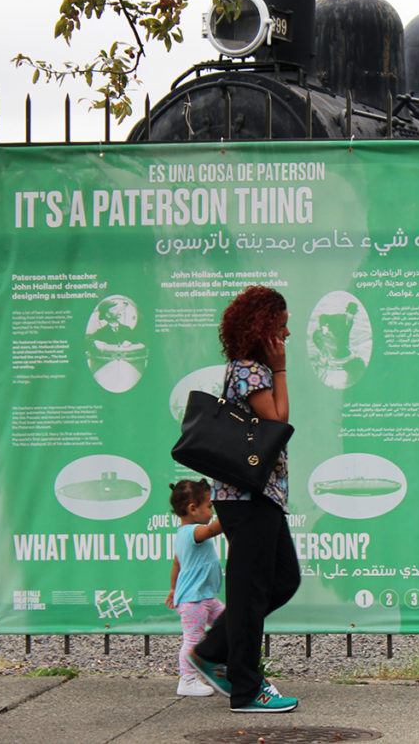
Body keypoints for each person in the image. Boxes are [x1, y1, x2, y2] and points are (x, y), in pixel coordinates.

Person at [186, 285, 302, 713]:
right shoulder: (254, 371)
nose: (287, 333)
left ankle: (213, 650)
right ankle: (246, 689)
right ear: (264, 328)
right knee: (251, 592)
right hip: (248, 497)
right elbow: (278, 423)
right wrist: (282, 370)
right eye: (282, 324)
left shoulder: (247, 369)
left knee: (283, 580)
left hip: (259, 498)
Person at [165, 479, 224, 697]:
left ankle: (218, 667)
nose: (212, 510)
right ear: (192, 509)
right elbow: (210, 531)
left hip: (205, 597)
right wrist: (230, 513)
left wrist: (172, 589)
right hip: (193, 601)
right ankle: (187, 680)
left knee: (228, 623)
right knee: (192, 639)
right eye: (210, 506)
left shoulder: (183, 535)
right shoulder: (191, 532)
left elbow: (176, 564)